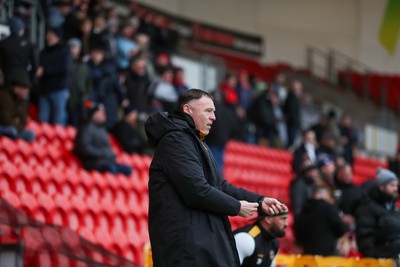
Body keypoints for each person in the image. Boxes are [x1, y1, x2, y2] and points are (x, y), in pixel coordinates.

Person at [145, 89, 288, 267]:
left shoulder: (196, 141)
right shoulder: (176, 140)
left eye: (213, 111)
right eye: (208, 111)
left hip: (198, 241)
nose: (213, 117)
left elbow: (219, 185)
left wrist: (260, 202)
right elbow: (195, 189)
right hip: (185, 247)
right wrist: (236, 207)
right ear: (188, 109)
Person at [73, 101, 132, 176]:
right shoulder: (86, 128)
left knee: (128, 170)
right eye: (100, 112)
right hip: (95, 163)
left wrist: (110, 154)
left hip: (106, 161)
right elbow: (83, 148)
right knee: (111, 169)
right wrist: (102, 154)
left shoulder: (103, 129)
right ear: (93, 114)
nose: (103, 114)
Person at [355, 168, 400, 258]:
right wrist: (372, 256)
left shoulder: (393, 206)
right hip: (380, 259)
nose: (395, 189)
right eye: (392, 185)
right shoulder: (368, 207)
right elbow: (365, 235)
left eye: (396, 186)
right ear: (381, 187)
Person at [295, 186, 348, 256]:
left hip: (307, 256)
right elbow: (341, 229)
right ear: (325, 195)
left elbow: (298, 237)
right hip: (327, 256)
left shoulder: (303, 212)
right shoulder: (328, 208)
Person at [37, 27, 72, 126]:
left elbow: (63, 68)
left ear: (57, 37)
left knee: (58, 119)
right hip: (45, 89)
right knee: (43, 119)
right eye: (47, 34)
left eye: (51, 34)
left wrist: (45, 71)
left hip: (59, 89)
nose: (48, 37)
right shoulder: (43, 52)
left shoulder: (64, 51)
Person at [0, 17, 37, 87]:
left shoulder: (3, 43)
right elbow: (34, 64)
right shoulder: (28, 43)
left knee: (7, 97)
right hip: (23, 77)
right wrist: (31, 79)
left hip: (8, 77)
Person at [67, 38, 92, 127]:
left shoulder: (84, 64)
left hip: (81, 100)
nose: (72, 50)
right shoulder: (64, 63)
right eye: (70, 47)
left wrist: (86, 98)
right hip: (68, 98)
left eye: (74, 47)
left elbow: (89, 83)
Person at [0, 78, 35, 142]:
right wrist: (16, 121)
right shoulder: (4, 97)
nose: (26, 91)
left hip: (15, 127)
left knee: (30, 134)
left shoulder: (22, 100)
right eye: (24, 88)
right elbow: (6, 120)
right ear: (16, 88)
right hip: (3, 126)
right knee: (12, 131)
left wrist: (17, 123)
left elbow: (23, 120)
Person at [283, 80, 303, 148]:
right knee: (290, 141)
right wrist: (296, 122)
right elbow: (291, 111)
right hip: (291, 123)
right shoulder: (291, 98)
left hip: (293, 123)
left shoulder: (295, 98)